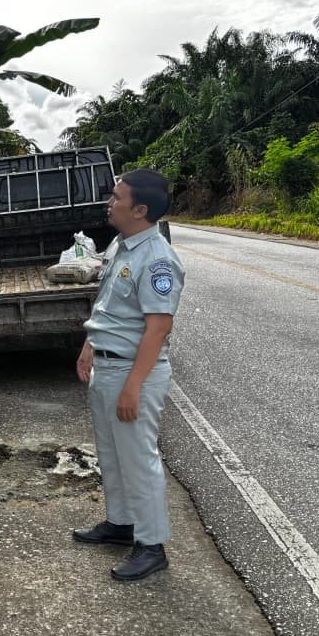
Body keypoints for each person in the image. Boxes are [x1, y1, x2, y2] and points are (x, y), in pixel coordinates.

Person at [73, 169, 185, 581]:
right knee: (111, 454)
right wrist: (89, 346)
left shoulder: (157, 259)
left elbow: (158, 327)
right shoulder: (122, 244)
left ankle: (152, 545)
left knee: (139, 460)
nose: (110, 202)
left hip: (134, 370)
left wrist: (133, 387)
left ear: (139, 210)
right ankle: (120, 524)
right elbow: (108, 305)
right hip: (108, 364)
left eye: (117, 198)